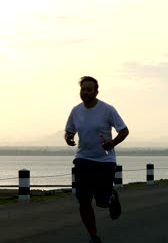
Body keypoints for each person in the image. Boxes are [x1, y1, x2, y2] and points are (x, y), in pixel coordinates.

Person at [65, 76, 129, 243]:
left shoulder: (107, 109)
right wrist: (69, 137)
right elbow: (69, 131)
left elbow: (124, 131)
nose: (85, 92)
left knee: (101, 202)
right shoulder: (75, 111)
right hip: (83, 159)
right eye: (83, 89)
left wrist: (112, 142)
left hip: (105, 161)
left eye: (89, 89)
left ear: (96, 91)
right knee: (84, 200)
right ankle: (94, 237)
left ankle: (112, 199)